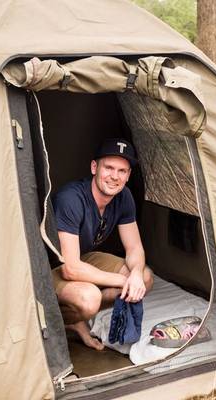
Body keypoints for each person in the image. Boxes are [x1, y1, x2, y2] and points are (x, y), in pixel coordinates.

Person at [51, 138, 154, 350]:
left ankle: (77, 317)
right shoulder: (71, 198)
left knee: (144, 277)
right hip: (49, 266)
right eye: (109, 168)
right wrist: (122, 280)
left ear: (128, 176)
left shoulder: (124, 196)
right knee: (89, 298)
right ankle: (64, 320)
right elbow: (70, 268)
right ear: (94, 167)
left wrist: (134, 274)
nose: (114, 176)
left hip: (83, 257)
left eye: (122, 171)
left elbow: (134, 247)